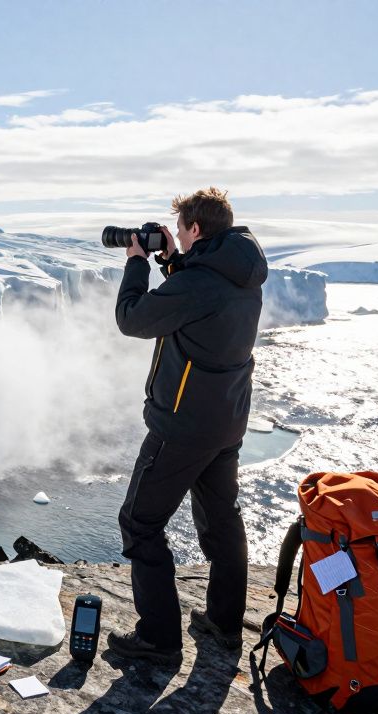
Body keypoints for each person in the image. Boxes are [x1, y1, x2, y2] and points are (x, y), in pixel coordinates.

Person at [107, 187, 268, 664]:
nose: (174, 234)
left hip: (182, 426)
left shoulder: (201, 282)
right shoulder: (239, 271)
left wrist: (137, 262)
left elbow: (132, 319)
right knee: (221, 522)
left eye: (180, 229)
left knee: (139, 523)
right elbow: (200, 302)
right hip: (225, 422)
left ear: (196, 229)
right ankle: (223, 623)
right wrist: (174, 260)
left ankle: (158, 639)